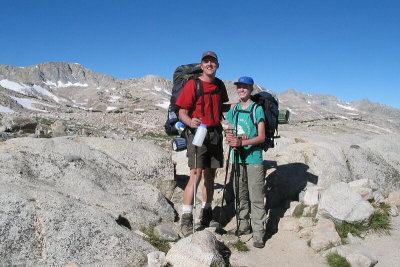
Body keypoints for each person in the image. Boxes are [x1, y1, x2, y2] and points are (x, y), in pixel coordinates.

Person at [175, 51, 229, 236]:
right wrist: (189, 122)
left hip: (215, 133)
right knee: (196, 174)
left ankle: (207, 212)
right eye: (206, 61)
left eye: (212, 61)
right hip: (198, 133)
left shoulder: (220, 85)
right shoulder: (193, 84)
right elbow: (182, 111)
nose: (209, 64)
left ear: (217, 65)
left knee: (211, 175)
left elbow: (221, 107)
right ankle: (187, 219)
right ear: (201, 64)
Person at [225, 76, 267, 248]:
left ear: (251, 89)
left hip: (254, 159)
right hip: (237, 158)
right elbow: (229, 127)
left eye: (245, 87)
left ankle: (258, 233)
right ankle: (243, 226)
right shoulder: (233, 110)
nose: (241, 89)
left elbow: (262, 137)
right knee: (241, 194)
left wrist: (242, 142)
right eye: (239, 87)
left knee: (256, 196)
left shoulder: (257, 109)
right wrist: (229, 137)